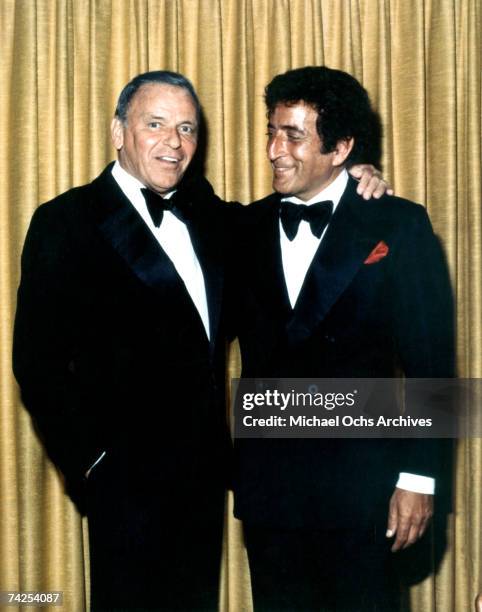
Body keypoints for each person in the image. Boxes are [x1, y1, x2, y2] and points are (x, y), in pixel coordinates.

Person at [13, 69, 390, 610]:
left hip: (206, 482)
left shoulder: (205, 212)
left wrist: (350, 179)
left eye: (188, 128)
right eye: (156, 124)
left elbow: (297, 228)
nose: (174, 142)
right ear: (119, 131)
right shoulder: (66, 221)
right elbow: (36, 361)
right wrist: (94, 465)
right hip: (124, 487)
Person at [231, 66, 454, 611]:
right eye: (272, 131)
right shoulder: (240, 228)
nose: (274, 150)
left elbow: (433, 363)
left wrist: (420, 478)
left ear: (342, 147)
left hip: (365, 492)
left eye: (294, 135)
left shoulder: (397, 225)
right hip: (271, 497)